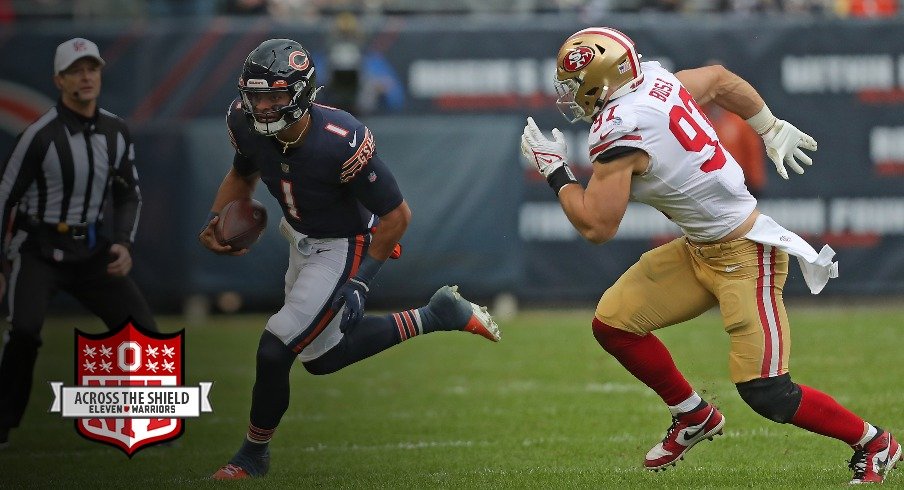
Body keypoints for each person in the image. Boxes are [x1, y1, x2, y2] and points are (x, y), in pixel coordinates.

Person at [521, 27, 899, 485]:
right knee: (614, 324)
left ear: (600, 79)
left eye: (574, 83)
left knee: (768, 392)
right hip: (701, 249)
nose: (571, 94)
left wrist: (554, 171)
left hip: (746, 256)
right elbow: (719, 79)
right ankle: (692, 414)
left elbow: (596, 225)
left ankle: (874, 442)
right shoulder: (657, 80)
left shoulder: (619, 129)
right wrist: (768, 124)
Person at [199, 39, 500, 480]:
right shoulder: (243, 122)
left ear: (301, 94)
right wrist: (217, 220)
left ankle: (251, 456)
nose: (262, 106)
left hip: (344, 244)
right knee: (321, 359)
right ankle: (434, 316)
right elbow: (241, 174)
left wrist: (361, 280)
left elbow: (398, 216)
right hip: (300, 239)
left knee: (275, 345)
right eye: (256, 95)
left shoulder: (340, 139)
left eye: (276, 96)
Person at [0, 37, 157, 448]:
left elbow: (128, 193)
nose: (86, 77)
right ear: (59, 80)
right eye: (76, 71)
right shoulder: (39, 135)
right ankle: (2, 422)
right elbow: (5, 197)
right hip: (38, 248)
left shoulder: (115, 131)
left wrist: (122, 243)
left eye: (92, 69)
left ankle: (150, 422)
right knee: (25, 332)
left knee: (142, 330)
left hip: (90, 250)